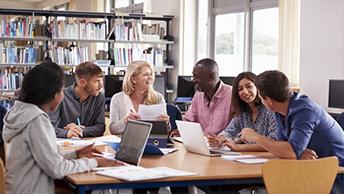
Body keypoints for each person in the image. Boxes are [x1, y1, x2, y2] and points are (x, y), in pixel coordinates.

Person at [2, 62, 123, 194]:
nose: (63, 95)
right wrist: (95, 162)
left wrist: (75, 154)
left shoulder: (20, 113)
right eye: (61, 90)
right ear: (52, 93)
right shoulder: (36, 120)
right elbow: (57, 169)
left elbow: (44, 156)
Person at [239, 70, 344, 194]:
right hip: (309, 169)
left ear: (269, 101)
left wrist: (256, 137)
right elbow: (281, 147)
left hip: (335, 176)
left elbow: (289, 151)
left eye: (261, 98)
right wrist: (296, 152)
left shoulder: (305, 110)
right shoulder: (280, 110)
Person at [207, 72, 277, 152]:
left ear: (257, 87)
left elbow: (273, 143)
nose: (245, 92)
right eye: (240, 89)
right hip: (249, 158)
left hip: (269, 159)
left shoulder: (270, 110)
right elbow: (229, 132)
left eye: (249, 86)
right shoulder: (242, 113)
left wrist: (239, 147)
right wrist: (219, 139)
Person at [109, 60, 169, 135]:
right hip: (125, 143)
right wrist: (125, 121)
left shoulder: (158, 98)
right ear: (133, 79)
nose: (150, 77)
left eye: (151, 74)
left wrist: (166, 123)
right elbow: (113, 130)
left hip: (151, 143)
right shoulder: (117, 99)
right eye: (145, 75)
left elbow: (166, 131)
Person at [49, 61, 105, 138]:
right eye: (97, 81)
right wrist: (67, 133)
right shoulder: (61, 96)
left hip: (89, 144)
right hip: (65, 145)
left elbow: (100, 127)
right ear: (82, 82)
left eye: (101, 80)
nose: (101, 85)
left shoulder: (99, 97)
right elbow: (48, 127)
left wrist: (80, 130)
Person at [184, 58, 233, 135]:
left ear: (211, 77)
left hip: (224, 144)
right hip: (202, 142)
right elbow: (189, 122)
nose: (193, 80)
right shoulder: (198, 95)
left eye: (197, 77)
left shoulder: (232, 95)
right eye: (193, 76)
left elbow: (238, 128)